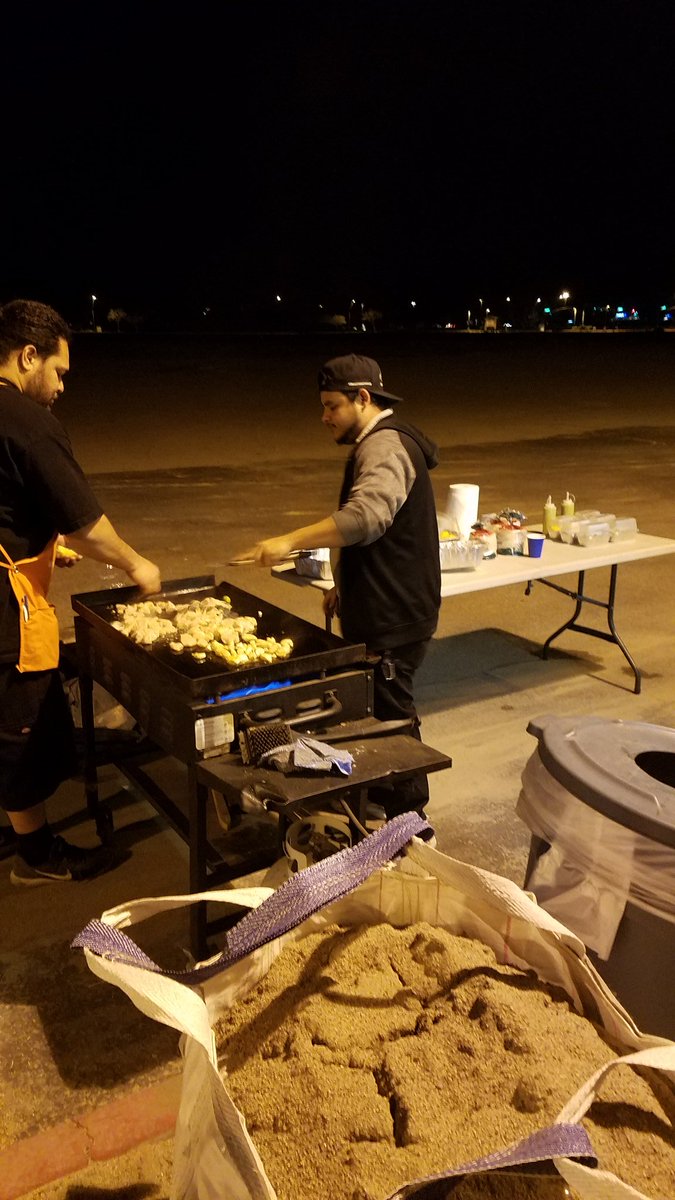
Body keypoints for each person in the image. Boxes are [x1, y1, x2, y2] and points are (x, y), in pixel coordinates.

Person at [0, 298, 162, 885]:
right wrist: (137, 565)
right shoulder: (27, 422)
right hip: (5, 616)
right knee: (25, 731)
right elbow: (86, 522)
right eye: (59, 371)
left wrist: (41, 547)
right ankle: (36, 857)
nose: (63, 386)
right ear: (27, 356)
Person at [240, 353, 441, 819]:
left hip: (394, 617)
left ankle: (410, 820)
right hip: (386, 603)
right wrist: (345, 586)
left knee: (392, 718)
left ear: (363, 398)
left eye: (332, 406)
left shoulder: (385, 446)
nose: (324, 417)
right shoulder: (382, 442)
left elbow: (364, 519)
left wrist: (288, 540)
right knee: (377, 711)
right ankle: (382, 804)